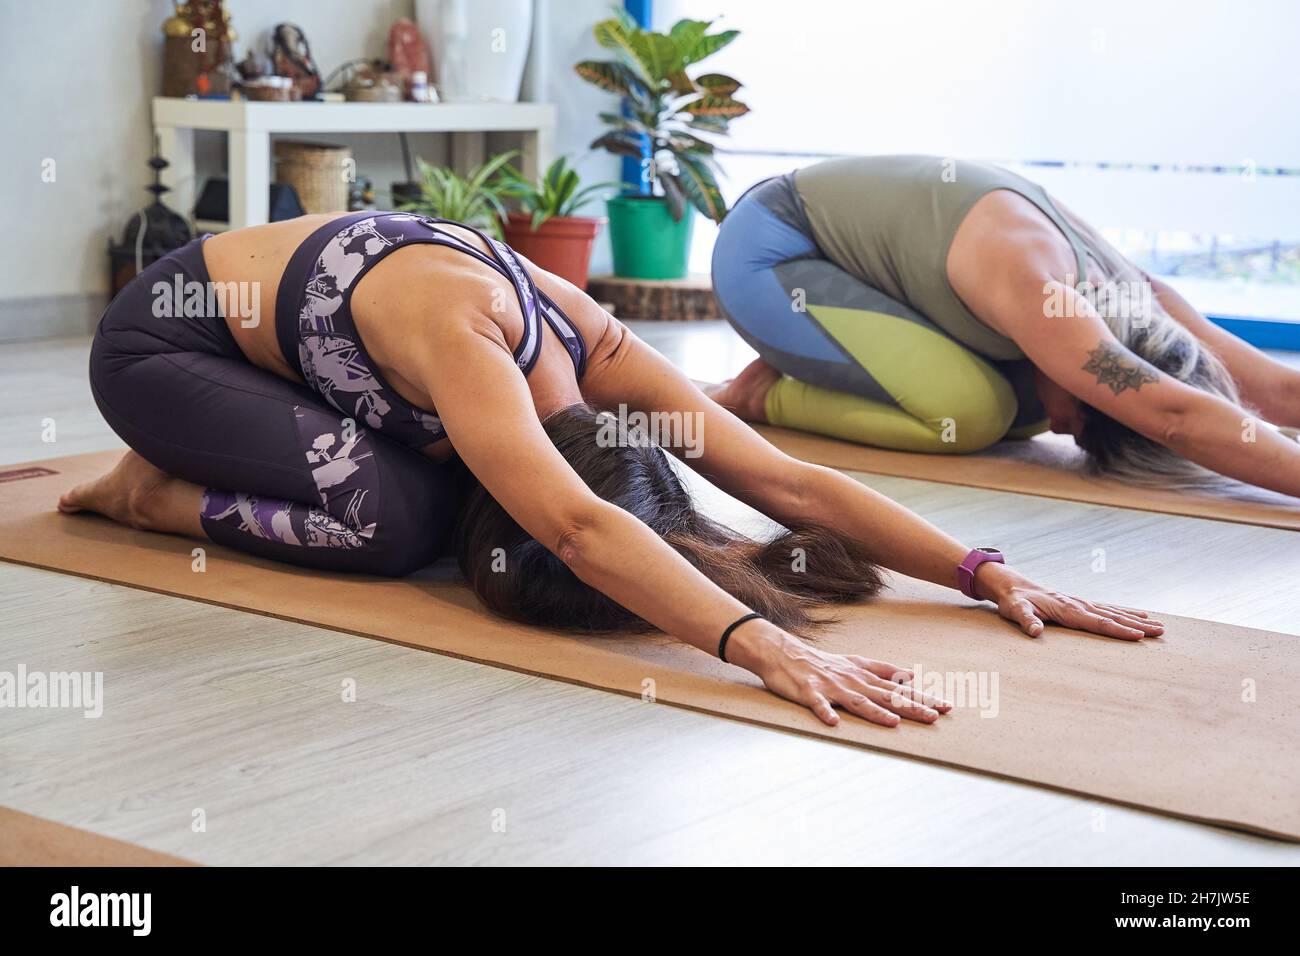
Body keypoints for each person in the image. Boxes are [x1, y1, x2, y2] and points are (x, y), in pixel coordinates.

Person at [62, 210, 1163, 730]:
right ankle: (143, 488)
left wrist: (979, 568)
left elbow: (788, 483)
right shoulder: (471, 341)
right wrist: (755, 643)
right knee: (392, 526)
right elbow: (582, 530)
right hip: (168, 343)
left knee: (435, 505)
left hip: (314, 359)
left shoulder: (601, 353)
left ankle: (222, 454)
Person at [708, 155, 1300, 492]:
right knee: (971, 415)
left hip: (863, 276)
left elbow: (1275, 390)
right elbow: (1172, 417)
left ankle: (832, 362)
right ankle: (760, 394)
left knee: (1022, 407)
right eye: (1089, 429)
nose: (1067, 435)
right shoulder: (1045, 293)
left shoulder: (1139, 297)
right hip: (772, 257)